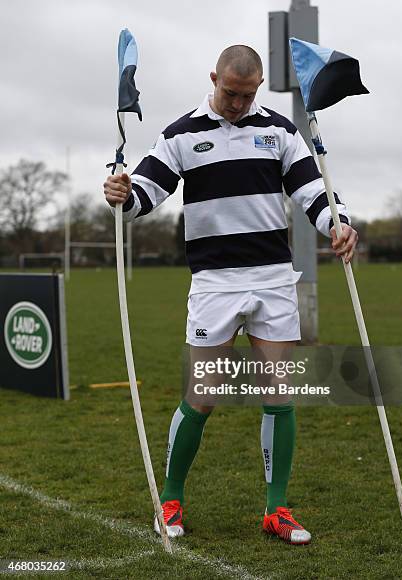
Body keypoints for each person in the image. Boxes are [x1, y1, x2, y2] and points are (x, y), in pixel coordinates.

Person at [104, 45, 358, 545]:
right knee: (202, 397)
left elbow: (314, 192)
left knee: (279, 398)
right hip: (215, 283)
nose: (239, 102)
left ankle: (276, 509)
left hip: (272, 279)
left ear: (258, 86)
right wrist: (122, 195)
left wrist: (338, 223)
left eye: (249, 94)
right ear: (214, 78)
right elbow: (144, 195)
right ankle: (170, 501)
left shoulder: (281, 130)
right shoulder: (180, 135)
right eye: (231, 92)